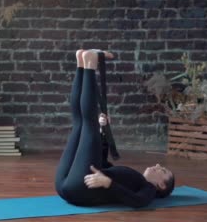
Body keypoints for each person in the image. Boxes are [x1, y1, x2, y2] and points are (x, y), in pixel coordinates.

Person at [55, 49, 175, 208]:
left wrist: (108, 183)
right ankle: (82, 64)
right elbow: (101, 163)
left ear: (161, 185)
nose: (159, 165)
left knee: (87, 124)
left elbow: (138, 202)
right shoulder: (135, 179)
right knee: (80, 124)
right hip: (69, 186)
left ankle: (90, 64)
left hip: (81, 188)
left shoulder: (149, 190)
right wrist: (103, 132)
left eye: (164, 171)